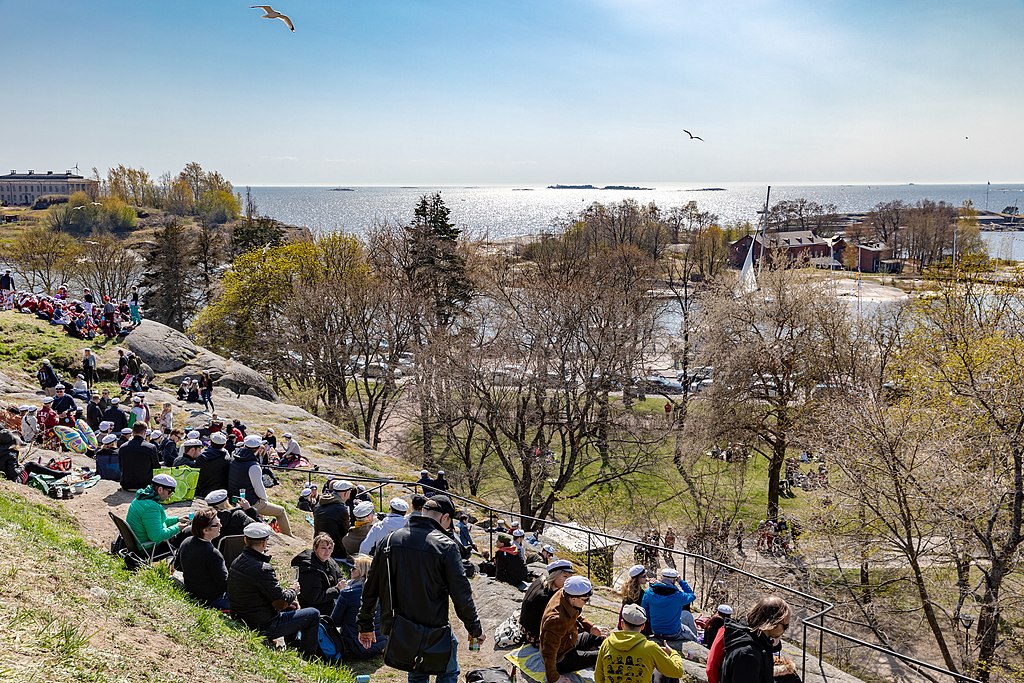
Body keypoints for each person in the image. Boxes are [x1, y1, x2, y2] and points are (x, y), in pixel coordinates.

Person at [357, 495, 484, 683]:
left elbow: (371, 586)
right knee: (448, 672)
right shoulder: (446, 546)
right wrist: (474, 628)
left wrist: (365, 624)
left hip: (402, 626)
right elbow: (461, 594)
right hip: (435, 626)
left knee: (416, 672)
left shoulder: (390, 540)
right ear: (445, 518)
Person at [227, 523, 321, 658]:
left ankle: (292, 644)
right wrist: (293, 590)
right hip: (262, 624)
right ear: (265, 543)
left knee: (291, 607)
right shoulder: (262, 568)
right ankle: (308, 656)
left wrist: (288, 601)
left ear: (245, 540)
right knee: (313, 614)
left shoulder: (238, 560)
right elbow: (280, 602)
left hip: (242, 616)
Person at [539, 575, 605, 683]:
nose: (587, 602)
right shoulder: (556, 620)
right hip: (561, 658)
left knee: (599, 637)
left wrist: (590, 627)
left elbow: (574, 614)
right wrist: (554, 678)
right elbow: (549, 652)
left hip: (568, 641)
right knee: (600, 655)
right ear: (574, 598)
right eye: (585, 599)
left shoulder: (565, 594)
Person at [709, 596, 790, 683]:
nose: (784, 631)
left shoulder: (749, 638)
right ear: (773, 623)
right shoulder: (748, 654)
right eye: (785, 626)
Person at [595, 604, 684, 683]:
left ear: (622, 623)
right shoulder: (650, 648)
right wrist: (673, 653)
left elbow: (598, 677)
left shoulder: (607, 643)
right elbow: (677, 672)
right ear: (643, 626)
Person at [228, 434, 291, 535]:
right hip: (249, 502)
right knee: (281, 511)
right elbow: (258, 488)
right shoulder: (253, 466)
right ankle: (288, 537)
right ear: (258, 448)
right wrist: (264, 500)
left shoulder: (233, 458)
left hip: (233, 498)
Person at [330, 553, 387, 659]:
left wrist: (339, 597)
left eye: (354, 568)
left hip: (357, 647)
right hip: (380, 644)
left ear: (362, 572)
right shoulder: (382, 590)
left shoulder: (348, 593)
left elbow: (335, 621)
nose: (351, 570)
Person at [175, 509, 229, 609]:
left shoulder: (186, 541)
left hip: (192, 590)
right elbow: (225, 584)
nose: (220, 526)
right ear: (205, 530)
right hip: (212, 599)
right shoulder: (213, 553)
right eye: (217, 525)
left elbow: (177, 566)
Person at [125, 473, 190, 554]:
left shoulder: (142, 497)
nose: (170, 496)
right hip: (148, 549)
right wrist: (177, 528)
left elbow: (156, 522)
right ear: (160, 489)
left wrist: (177, 519)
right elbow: (156, 536)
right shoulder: (151, 507)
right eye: (169, 492)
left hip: (138, 543)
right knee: (189, 532)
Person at [520, 559, 574, 645]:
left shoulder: (541, 580)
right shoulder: (547, 597)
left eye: (570, 577)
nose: (568, 580)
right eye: (565, 576)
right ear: (554, 576)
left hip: (525, 630)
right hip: (536, 637)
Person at [291, 532, 347, 615]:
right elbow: (315, 597)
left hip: (331, 600)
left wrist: (342, 582)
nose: (327, 552)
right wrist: (337, 589)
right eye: (323, 548)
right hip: (317, 610)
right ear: (315, 548)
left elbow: (340, 575)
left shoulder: (329, 560)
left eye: (330, 548)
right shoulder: (309, 569)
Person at [641, 568, 698, 644]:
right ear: (674, 580)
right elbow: (692, 595)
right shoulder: (678, 596)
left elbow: (645, 611)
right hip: (673, 632)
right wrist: (681, 582)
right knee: (693, 637)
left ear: (661, 578)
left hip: (656, 630)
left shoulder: (649, 593)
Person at [0, 430, 69, 482]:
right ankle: (57, 474)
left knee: (30, 470)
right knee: (30, 465)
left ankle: (56, 473)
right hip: (14, 480)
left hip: (3, 476)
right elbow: (13, 473)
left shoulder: (5, 452)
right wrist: (21, 467)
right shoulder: (11, 454)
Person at [313, 479, 354, 558]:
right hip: (335, 549)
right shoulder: (341, 509)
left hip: (318, 543)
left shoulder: (320, 503)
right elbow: (345, 531)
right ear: (345, 493)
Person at [118, 422, 162, 491]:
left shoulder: (123, 447)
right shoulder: (151, 447)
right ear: (145, 432)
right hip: (145, 485)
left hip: (127, 485)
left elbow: (121, 466)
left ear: (132, 432)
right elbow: (156, 467)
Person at [194, 431, 230, 498]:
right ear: (224, 444)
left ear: (210, 442)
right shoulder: (226, 459)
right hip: (221, 493)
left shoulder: (201, 457)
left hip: (203, 491)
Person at [619, 565, 649, 631]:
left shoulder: (627, 588)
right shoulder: (640, 593)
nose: (646, 577)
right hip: (634, 622)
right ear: (637, 579)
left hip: (624, 620)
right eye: (644, 576)